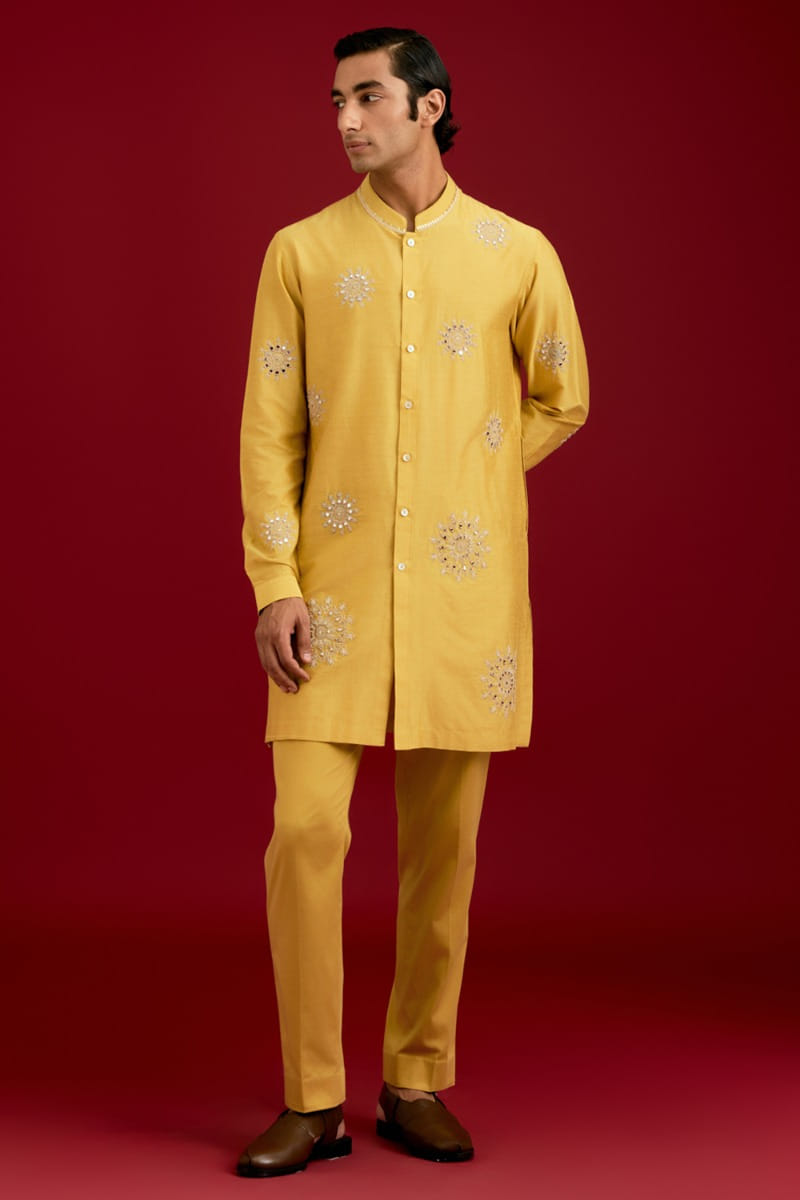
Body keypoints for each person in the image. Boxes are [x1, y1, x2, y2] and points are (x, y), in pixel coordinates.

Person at [236, 26, 589, 1178]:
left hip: (458, 599)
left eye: (368, 97)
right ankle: (312, 1101)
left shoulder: (513, 252)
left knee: (443, 852)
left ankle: (414, 1078)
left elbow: (562, 395)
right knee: (306, 833)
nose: (345, 120)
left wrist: (464, 481)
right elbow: (267, 433)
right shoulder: (299, 252)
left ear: (428, 106)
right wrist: (275, 583)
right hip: (327, 599)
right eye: (335, 101)